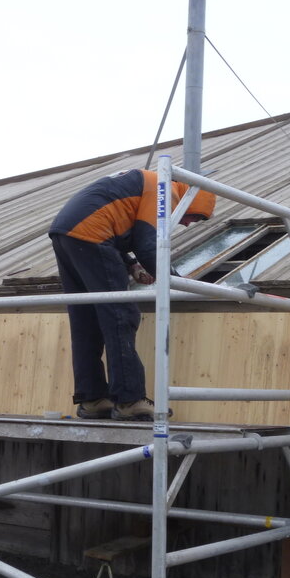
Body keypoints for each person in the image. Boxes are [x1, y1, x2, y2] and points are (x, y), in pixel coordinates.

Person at [49, 168, 216, 421]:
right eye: (192, 217)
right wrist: (179, 283)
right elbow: (148, 246)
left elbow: (113, 221)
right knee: (121, 316)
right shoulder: (164, 190)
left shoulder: (145, 183)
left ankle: (92, 399)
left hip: (67, 234)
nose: (186, 223)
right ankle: (129, 400)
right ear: (187, 202)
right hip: (93, 236)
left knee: (86, 320)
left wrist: (130, 265)